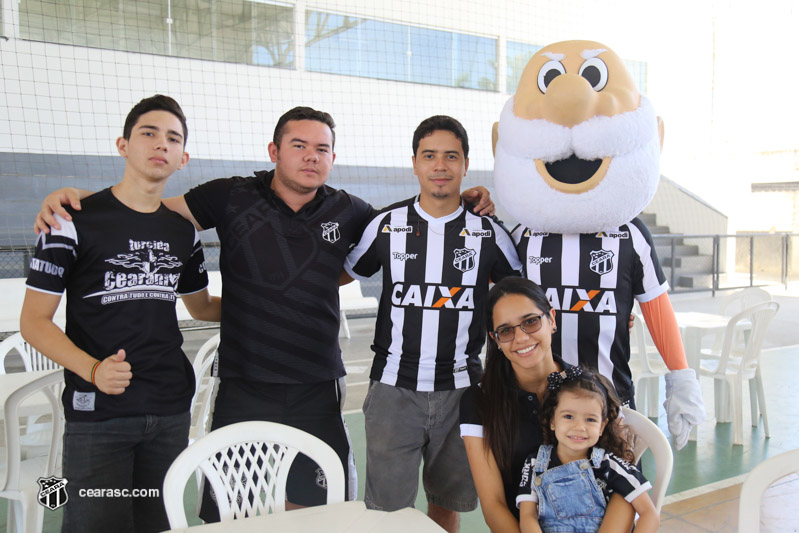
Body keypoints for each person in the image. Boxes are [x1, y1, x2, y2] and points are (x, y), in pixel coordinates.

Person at [34, 107, 495, 514]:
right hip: (243, 383)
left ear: (332, 158)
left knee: (317, 507)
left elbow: (411, 225)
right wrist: (78, 202)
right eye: (299, 145)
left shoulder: (351, 211)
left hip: (315, 384)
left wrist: (467, 199)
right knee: (234, 507)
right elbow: (147, 209)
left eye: (322, 148)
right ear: (274, 151)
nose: (311, 156)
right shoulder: (230, 195)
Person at [20, 94, 221, 533]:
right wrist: (93, 370)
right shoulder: (69, 220)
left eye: (172, 138)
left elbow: (202, 306)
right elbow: (33, 322)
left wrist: (269, 301)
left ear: (182, 158)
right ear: (122, 144)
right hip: (100, 415)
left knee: (157, 524)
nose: (160, 144)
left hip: (169, 410)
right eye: (148, 133)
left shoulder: (182, 232)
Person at [491, 40, 705, 449]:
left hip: (610, 401)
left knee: (619, 499)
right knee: (538, 501)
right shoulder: (522, 237)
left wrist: (681, 377)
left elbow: (657, 309)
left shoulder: (629, 234)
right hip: (537, 404)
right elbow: (494, 311)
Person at [344, 115, 521, 532]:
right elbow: (342, 273)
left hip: (462, 391)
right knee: (388, 514)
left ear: (464, 165)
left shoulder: (488, 232)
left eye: (450, 156)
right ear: (414, 163)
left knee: (447, 503)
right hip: (393, 390)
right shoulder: (387, 224)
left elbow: (519, 297)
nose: (440, 165)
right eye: (430, 156)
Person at [459, 277, 635, 533]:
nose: (520, 337)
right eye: (506, 330)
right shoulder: (479, 401)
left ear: (551, 319)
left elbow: (625, 487)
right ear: (495, 339)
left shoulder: (592, 388)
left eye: (531, 321)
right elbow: (493, 504)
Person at [517, 365, 659, 533]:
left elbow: (649, 513)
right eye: (568, 416)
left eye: (590, 420)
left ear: (602, 426)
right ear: (552, 420)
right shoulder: (534, 463)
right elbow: (527, 516)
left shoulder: (609, 465)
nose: (579, 427)